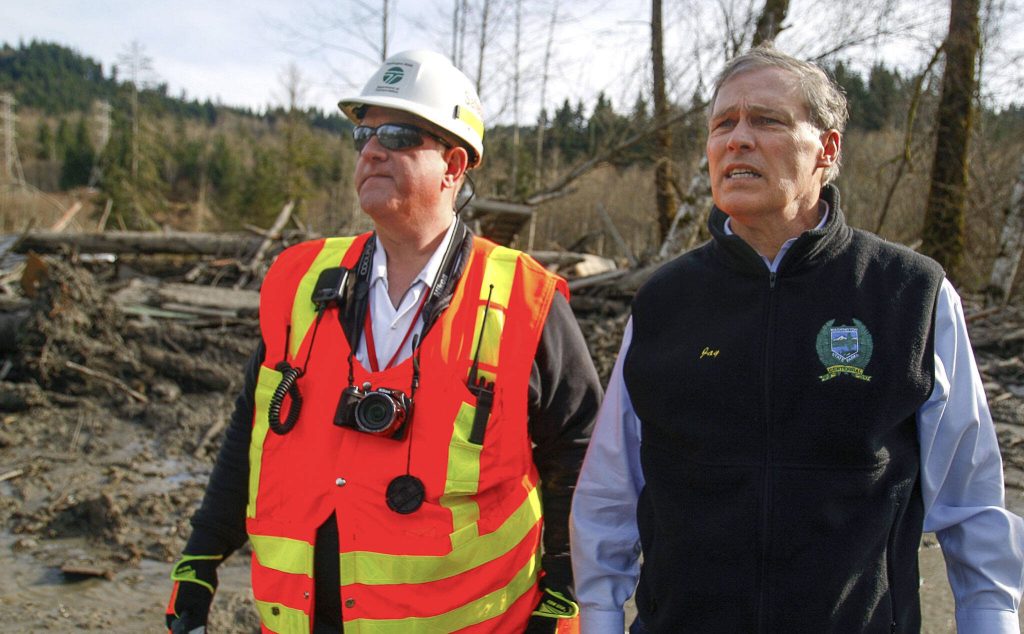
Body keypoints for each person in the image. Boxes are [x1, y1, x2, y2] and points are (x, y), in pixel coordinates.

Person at [570, 44, 1024, 634]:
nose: (737, 139)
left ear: (827, 150)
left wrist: (991, 621)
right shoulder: (664, 303)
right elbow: (610, 493)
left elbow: (971, 503)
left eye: (767, 120)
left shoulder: (909, 295)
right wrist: (600, 618)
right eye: (722, 124)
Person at [166, 49, 599, 634]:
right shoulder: (300, 282)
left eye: (396, 135)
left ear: (453, 164)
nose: (371, 150)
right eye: (363, 135)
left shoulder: (527, 302)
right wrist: (200, 557)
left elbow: (580, 454)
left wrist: (566, 594)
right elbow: (255, 428)